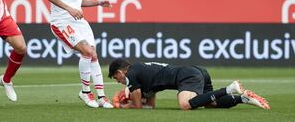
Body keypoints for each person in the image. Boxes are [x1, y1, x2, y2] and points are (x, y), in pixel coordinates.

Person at [46, 0, 113, 109]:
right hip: (61, 21)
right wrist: (69, 9)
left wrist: (98, 2)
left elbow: (79, 0)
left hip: (78, 20)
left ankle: (102, 97)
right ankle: (85, 92)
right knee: (87, 51)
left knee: (94, 55)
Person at [109, 59, 271, 110]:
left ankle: (229, 88)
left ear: (120, 72)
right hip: (195, 71)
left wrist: (125, 105)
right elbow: (150, 106)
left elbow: (137, 107)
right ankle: (241, 98)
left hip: (186, 76)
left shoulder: (130, 74)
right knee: (210, 103)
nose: (118, 80)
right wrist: (138, 101)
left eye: (116, 77)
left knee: (185, 105)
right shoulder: (142, 73)